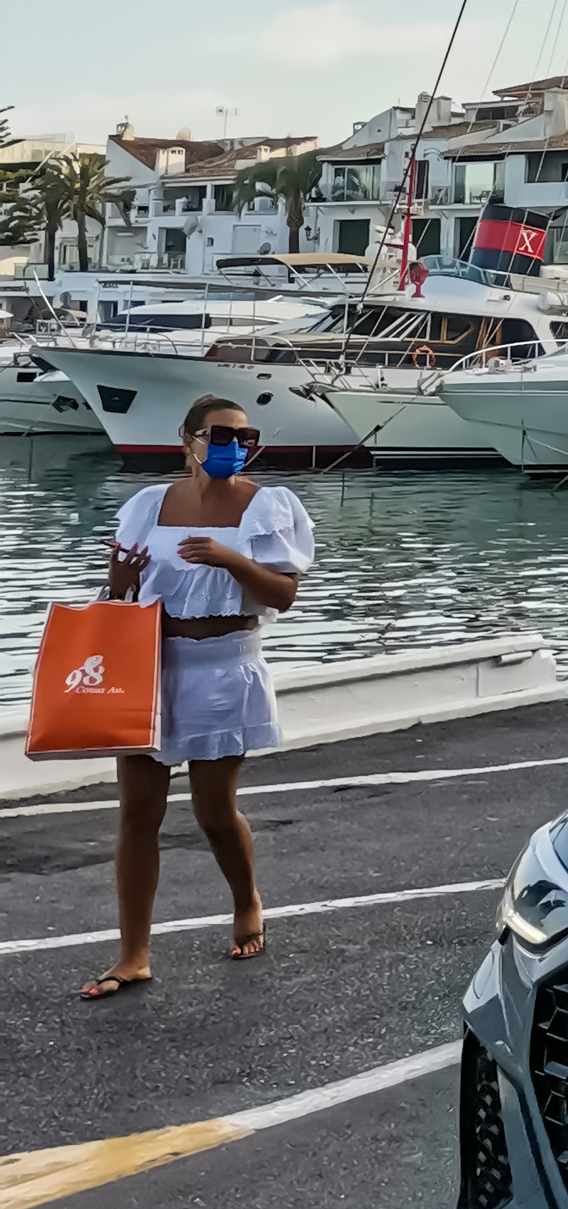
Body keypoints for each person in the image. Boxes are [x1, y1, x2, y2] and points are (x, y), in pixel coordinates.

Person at [85, 395, 316, 999]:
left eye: (243, 437)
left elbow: (284, 595)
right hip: (150, 668)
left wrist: (230, 557)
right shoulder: (145, 506)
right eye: (219, 435)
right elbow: (120, 598)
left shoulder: (268, 505)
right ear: (187, 438)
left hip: (223, 668)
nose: (232, 446)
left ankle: (247, 901)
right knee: (138, 813)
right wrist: (119, 583)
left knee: (214, 812)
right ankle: (133, 953)